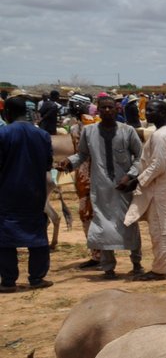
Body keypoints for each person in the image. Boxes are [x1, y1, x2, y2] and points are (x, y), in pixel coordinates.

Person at [59, 94, 143, 279]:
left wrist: (130, 175)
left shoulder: (127, 131)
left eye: (110, 107)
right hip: (101, 188)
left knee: (129, 224)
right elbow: (82, 155)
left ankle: (136, 263)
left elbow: (140, 157)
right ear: (98, 110)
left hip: (124, 188)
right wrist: (69, 163)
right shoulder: (89, 132)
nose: (107, 110)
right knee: (103, 227)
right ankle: (108, 267)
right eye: (103, 108)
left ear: (116, 109)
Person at [123, 100, 166, 281]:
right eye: (146, 110)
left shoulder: (159, 136)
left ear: (164, 113)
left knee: (160, 229)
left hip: (159, 189)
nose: (147, 113)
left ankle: (159, 270)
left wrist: (137, 181)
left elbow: (157, 165)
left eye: (152, 110)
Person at [0, 95, 54, 291]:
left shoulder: (3, 134)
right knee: (37, 235)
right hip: (35, 193)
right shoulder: (43, 135)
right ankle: (37, 278)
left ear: (7, 113)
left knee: (5, 238)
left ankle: (8, 281)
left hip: (6, 193)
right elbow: (48, 164)